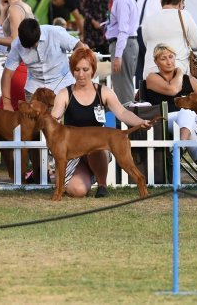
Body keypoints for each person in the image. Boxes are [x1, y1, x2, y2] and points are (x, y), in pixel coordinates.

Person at [49, 47, 153, 198]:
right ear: (72, 71)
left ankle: (102, 185)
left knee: (97, 147)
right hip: (73, 150)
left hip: (97, 148)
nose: (81, 74)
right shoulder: (65, 94)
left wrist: (140, 121)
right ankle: (84, 178)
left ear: (93, 69)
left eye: (85, 69)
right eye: (77, 69)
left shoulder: (103, 91)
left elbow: (122, 112)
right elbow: (55, 116)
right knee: (77, 191)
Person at [144, 43, 197, 168]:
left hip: (189, 119)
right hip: (164, 120)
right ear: (156, 62)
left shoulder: (190, 80)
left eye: (171, 57)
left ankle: (178, 150)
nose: (169, 61)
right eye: (163, 58)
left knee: (188, 114)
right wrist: (180, 72)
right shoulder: (152, 78)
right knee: (189, 117)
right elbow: (173, 90)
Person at [0, 18, 85, 110]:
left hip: (63, 85)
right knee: (34, 123)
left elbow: (79, 46)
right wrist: (7, 103)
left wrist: (75, 62)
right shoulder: (17, 45)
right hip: (34, 88)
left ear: (39, 34)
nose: (30, 49)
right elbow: (7, 75)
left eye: (33, 45)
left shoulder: (55, 33)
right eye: (27, 47)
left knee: (64, 122)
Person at [140, 0, 197, 79]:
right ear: (181, 2)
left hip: (150, 74)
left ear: (162, 1)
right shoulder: (184, 15)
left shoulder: (148, 19)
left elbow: (146, 44)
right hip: (176, 73)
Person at [104, 0, 140, 105]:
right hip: (125, 44)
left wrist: (118, 55)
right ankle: (130, 124)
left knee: (123, 91)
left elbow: (123, 29)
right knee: (122, 87)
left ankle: (134, 126)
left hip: (123, 45)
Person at [135, 0, 175, 84]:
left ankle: (139, 96)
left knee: (140, 68)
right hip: (151, 32)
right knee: (156, 66)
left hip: (137, 32)